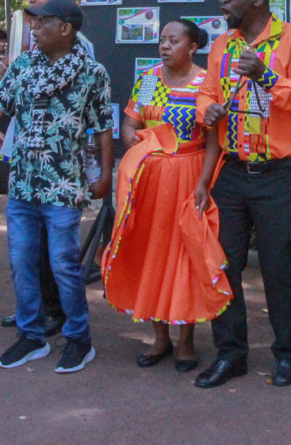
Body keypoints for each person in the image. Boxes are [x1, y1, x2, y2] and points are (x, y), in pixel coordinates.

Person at [0, 0, 113, 374]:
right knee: (21, 263)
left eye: (42, 21)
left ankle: (79, 339)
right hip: (22, 184)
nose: (33, 27)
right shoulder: (24, 67)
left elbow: (102, 127)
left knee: (64, 265)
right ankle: (31, 335)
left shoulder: (92, 72)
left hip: (63, 185)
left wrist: (105, 174)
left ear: (65, 28)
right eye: (32, 21)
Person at [194, 0, 291, 389]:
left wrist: (266, 75)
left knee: (279, 269)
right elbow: (207, 92)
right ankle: (231, 355)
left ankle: (287, 355)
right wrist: (206, 110)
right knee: (224, 266)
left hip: (278, 176)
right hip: (232, 172)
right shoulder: (222, 45)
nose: (222, 1)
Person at [103, 19, 230, 373]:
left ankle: (186, 341)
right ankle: (160, 337)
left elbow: (213, 140)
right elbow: (132, 122)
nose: (164, 45)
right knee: (151, 253)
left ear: (192, 47)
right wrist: (132, 138)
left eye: (174, 40)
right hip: (148, 181)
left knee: (186, 258)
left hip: (188, 177)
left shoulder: (206, 83)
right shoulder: (147, 81)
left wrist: (203, 184)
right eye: (162, 40)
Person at [0, 0, 94, 336]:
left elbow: (93, 119)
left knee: (58, 254)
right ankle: (31, 315)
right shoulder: (27, 45)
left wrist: (102, 172)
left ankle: (61, 316)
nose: (32, 0)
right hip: (24, 160)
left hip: (59, 172)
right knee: (26, 252)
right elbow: (8, 92)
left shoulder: (81, 51)